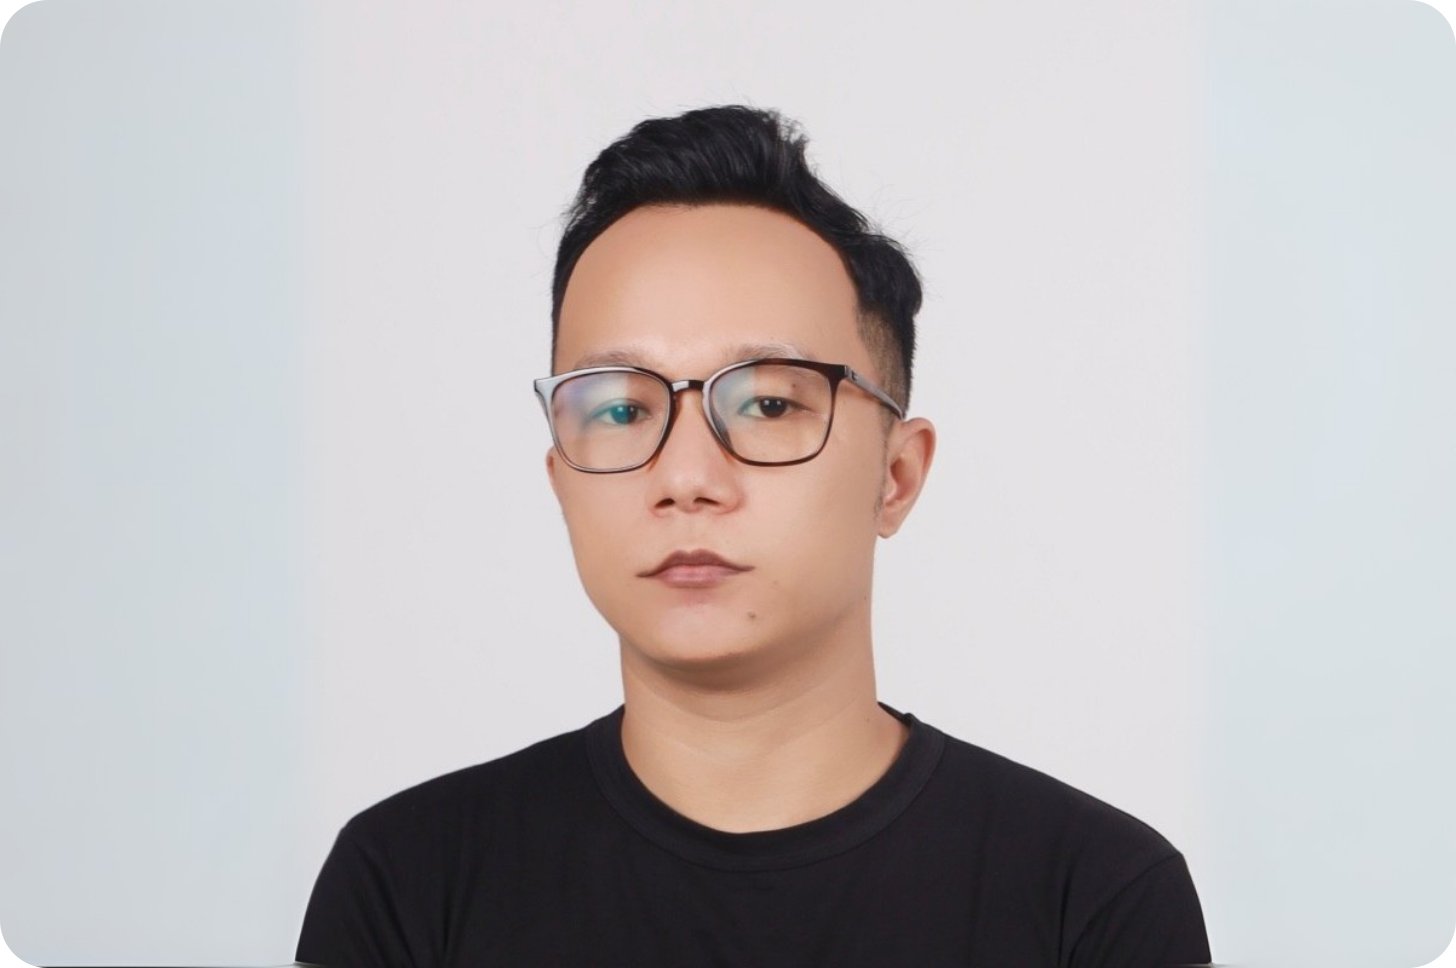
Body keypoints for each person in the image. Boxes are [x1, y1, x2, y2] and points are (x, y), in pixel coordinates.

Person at [294, 104, 1213, 968]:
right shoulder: (408, 885)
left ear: (897, 475)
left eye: (769, 404)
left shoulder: (1093, 898)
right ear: (561, 480)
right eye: (620, 409)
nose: (686, 477)